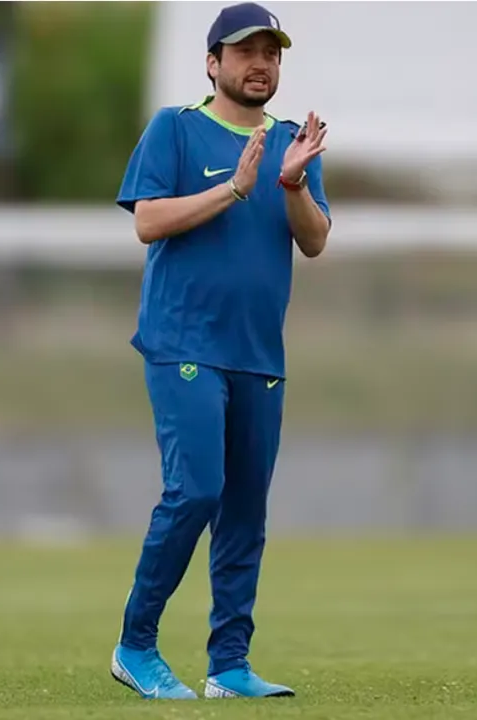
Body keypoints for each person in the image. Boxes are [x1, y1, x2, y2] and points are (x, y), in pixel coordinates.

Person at [111, 1, 331, 701]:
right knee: (196, 490)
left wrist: (290, 182)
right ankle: (135, 645)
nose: (260, 64)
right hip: (182, 341)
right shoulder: (175, 129)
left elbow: (316, 238)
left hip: (259, 354)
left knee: (244, 510)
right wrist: (234, 189)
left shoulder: (293, 141)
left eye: (271, 53)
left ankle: (229, 666)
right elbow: (148, 222)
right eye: (246, 52)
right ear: (214, 63)